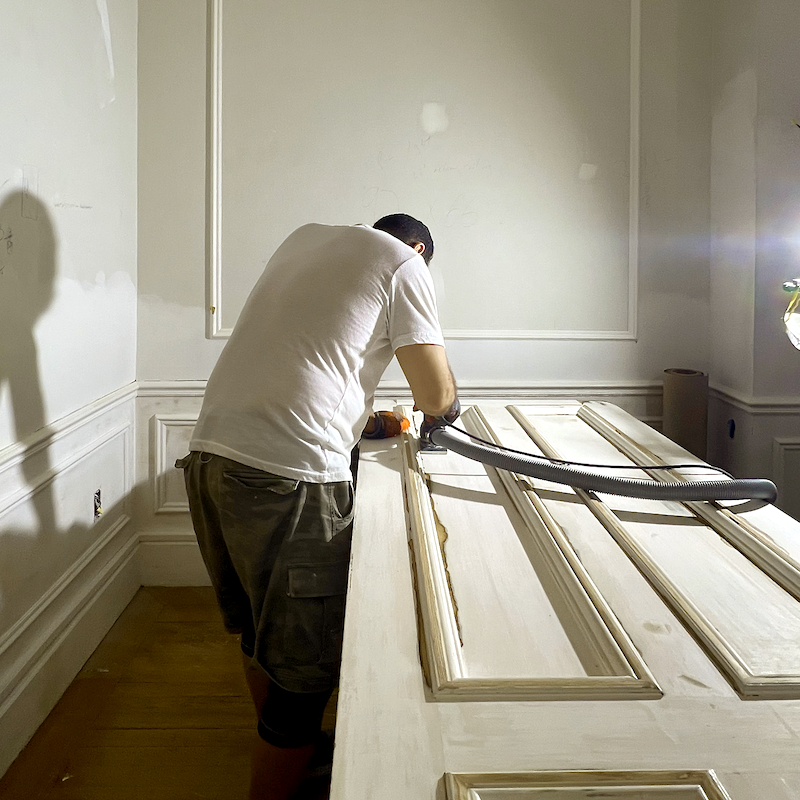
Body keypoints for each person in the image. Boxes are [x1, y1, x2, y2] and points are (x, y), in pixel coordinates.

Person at [177, 214, 458, 799]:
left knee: (260, 630)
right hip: (289, 476)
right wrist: (443, 410)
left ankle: (289, 750)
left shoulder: (302, 238)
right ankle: (289, 754)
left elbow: (308, 362)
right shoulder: (405, 264)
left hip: (210, 458)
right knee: (307, 670)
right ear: (421, 248)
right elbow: (435, 396)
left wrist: (362, 420)